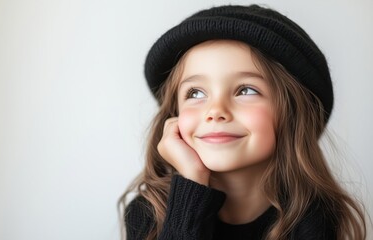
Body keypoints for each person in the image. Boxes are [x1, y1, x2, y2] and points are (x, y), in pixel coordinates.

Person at [118, 4, 367, 240]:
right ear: (174, 115)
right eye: (195, 93)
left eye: (246, 90)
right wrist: (191, 183)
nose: (215, 111)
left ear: (291, 113)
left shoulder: (314, 217)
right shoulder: (149, 212)